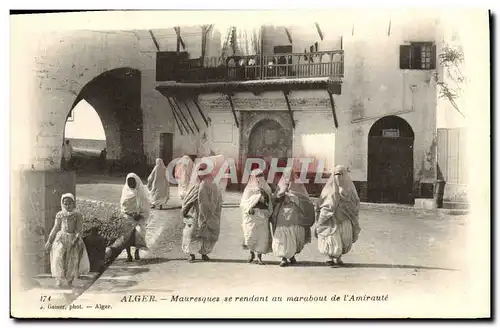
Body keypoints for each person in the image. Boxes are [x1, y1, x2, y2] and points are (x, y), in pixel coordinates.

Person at [315, 165, 361, 267]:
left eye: (340, 174)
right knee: (331, 237)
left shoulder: (350, 190)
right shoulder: (327, 189)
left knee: (343, 237)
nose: (338, 177)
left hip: (345, 219)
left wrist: (345, 198)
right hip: (331, 220)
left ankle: (338, 258)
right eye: (336, 174)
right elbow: (321, 202)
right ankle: (331, 257)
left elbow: (355, 203)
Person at [270, 167, 315, 267]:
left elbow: (305, 200)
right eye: (286, 174)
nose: (288, 177)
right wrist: (279, 196)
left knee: (294, 234)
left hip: (295, 214)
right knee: (283, 235)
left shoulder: (298, 185)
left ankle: (292, 255)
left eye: (290, 174)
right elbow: (274, 199)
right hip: (282, 214)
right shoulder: (280, 185)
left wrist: (294, 197)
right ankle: (283, 258)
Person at [44, 193, 90, 288]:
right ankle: (59, 278)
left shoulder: (77, 215)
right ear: (62, 204)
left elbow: (79, 230)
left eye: (70, 203)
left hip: (73, 238)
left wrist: (75, 240)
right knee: (57, 256)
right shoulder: (60, 214)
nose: (68, 206)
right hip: (61, 237)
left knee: (72, 259)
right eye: (65, 204)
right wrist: (49, 240)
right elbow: (55, 227)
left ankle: (69, 280)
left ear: (73, 203)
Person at [181, 163, 223, 262]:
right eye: (198, 171)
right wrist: (185, 211)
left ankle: (204, 253)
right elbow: (188, 200)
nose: (200, 174)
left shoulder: (213, 184)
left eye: (202, 171)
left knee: (207, 234)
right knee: (192, 234)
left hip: (209, 214)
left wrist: (213, 212)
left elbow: (219, 200)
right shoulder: (196, 185)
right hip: (196, 214)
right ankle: (191, 254)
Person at [240, 169, 273, 265]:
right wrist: (250, 205)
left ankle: (259, 257)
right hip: (252, 215)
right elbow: (244, 203)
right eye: (257, 176)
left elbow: (270, 201)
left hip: (263, 215)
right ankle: (251, 253)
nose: (259, 178)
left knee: (262, 236)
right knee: (250, 235)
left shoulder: (267, 188)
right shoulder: (249, 189)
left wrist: (268, 211)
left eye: (261, 175)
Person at [120, 173, 150, 261]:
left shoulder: (141, 191)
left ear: (136, 181)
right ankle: (129, 255)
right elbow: (123, 205)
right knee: (127, 236)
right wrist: (131, 214)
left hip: (139, 218)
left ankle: (137, 252)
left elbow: (145, 206)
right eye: (129, 182)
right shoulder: (125, 191)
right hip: (128, 217)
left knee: (139, 234)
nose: (131, 184)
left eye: (133, 182)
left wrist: (140, 214)